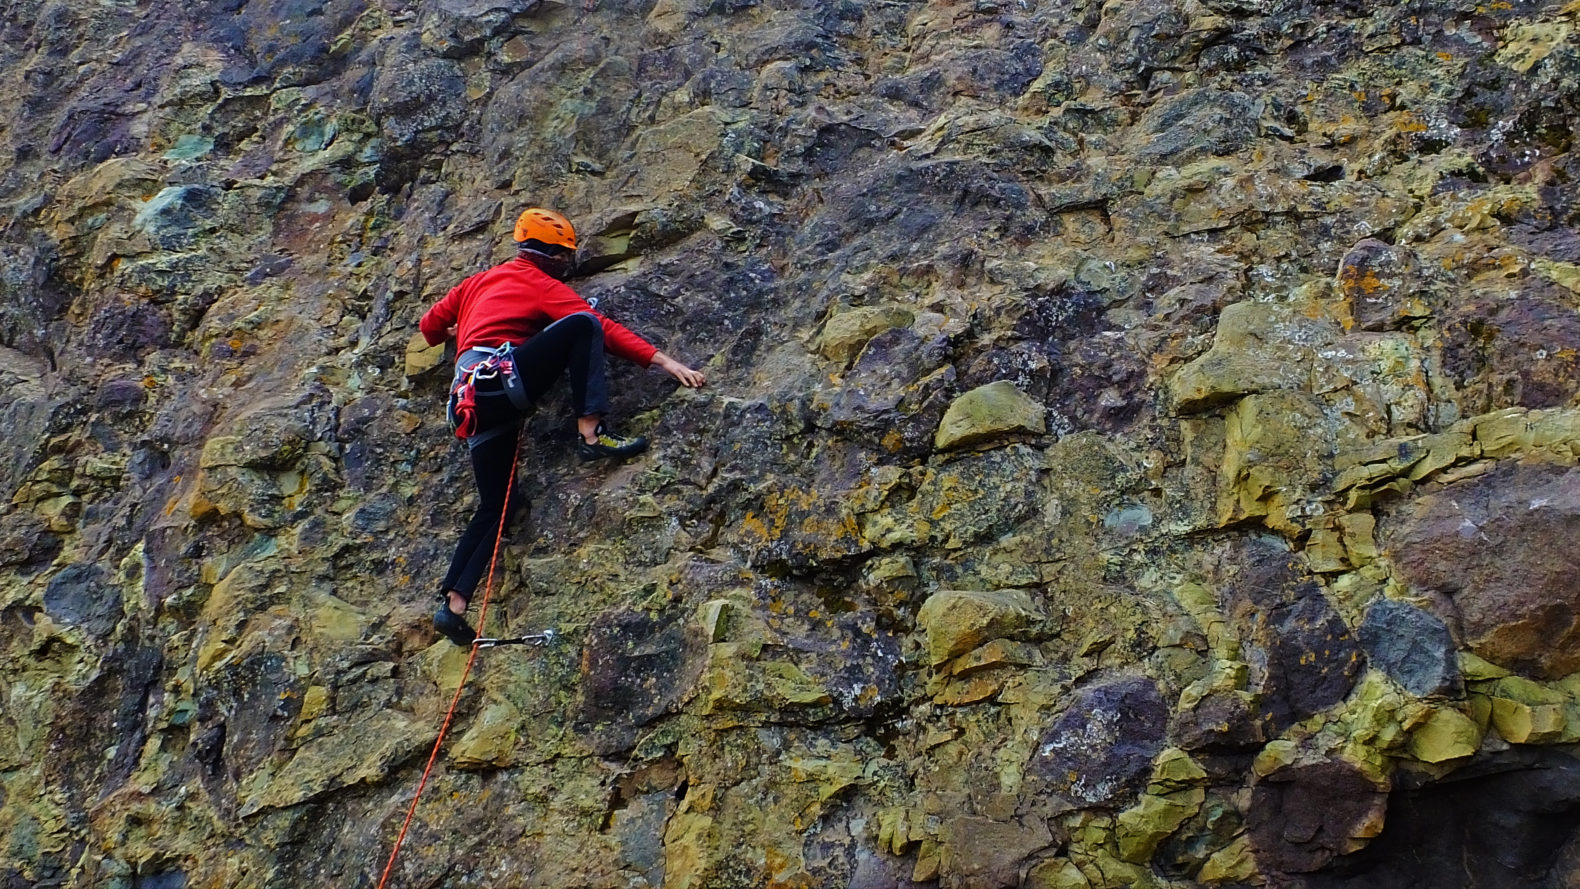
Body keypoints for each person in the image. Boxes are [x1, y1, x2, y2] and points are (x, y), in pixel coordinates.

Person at [418, 207, 706, 646]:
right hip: (501, 384)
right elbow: (599, 329)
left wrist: (472, 321)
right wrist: (663, 361)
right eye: (564, 257)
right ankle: (591, 433)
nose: (567, 265)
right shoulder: (538, 282)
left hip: (469, 403)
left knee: (498, 502)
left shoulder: (475, 283)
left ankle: (453, 607)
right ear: (552, 254)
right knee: (583, 321)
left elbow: (429, 329)